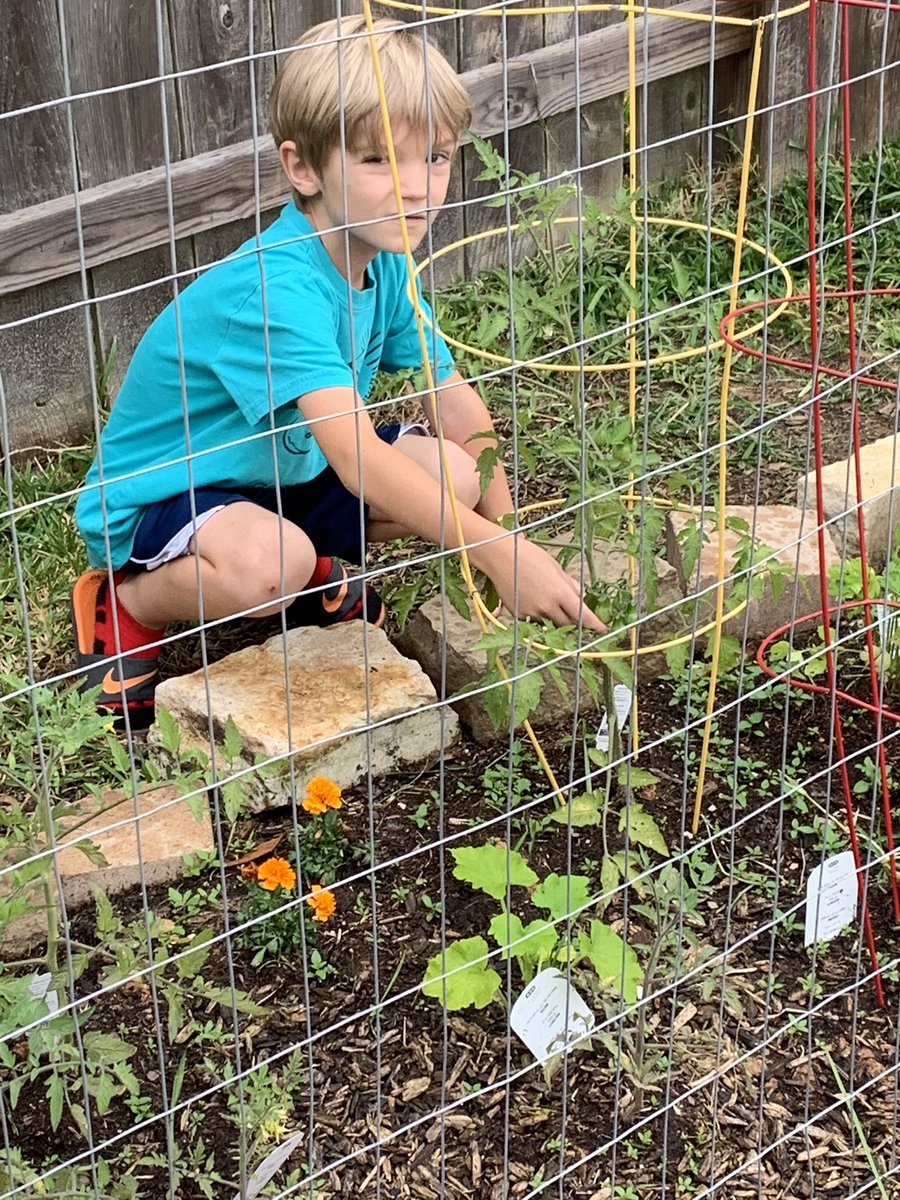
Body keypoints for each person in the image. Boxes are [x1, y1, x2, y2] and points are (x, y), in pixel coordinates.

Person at [71, 15, 603, 725]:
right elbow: (356, 460)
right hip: (175, 489)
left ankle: (308, 562)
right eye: (381, 161)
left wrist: (515, 538)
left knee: (461, 474)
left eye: (437, 157)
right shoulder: (277, 289)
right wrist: (494, 554)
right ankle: (128, 603)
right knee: (271, 566)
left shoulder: (384, 259)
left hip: (280, 471)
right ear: (303, 167)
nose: (419, 188)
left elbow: (456, 403)